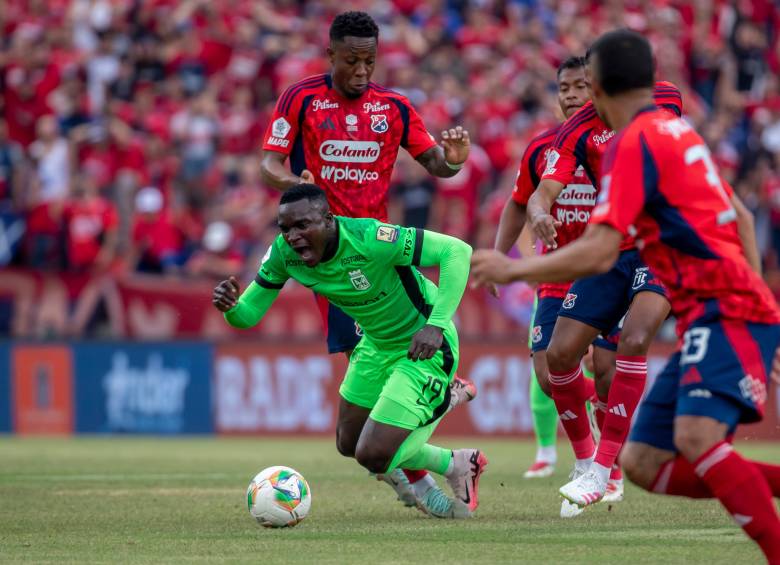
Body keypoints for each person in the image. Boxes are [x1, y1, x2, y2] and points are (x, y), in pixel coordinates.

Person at [471, 29, 780, 561]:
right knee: (644, 464)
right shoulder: (674, 132)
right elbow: (744, 219)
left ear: (598, 86)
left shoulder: (637, 145)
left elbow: (597, 252)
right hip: (712, 316)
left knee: (699, 441)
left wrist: (514, 268)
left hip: (726, 311)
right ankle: (601, 462)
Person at [257, 10, 476, 512]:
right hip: (323, 258)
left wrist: (456, 159)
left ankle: (421, 469)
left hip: (378, 256)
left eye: (370, 61)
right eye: (352, 60)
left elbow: (435, 165)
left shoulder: (395, 107)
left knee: (374, 381)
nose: (361, 70)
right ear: (330, 54)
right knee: (361, 382)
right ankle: (416, 467)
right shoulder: (302, 98)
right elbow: (269, 164)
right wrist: (298, 186)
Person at [213, 184, 488, 519]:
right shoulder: (285, 255)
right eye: (285, 229)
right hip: (374, 344)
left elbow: (457, 251)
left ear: (328, 220)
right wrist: (231, 307)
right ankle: (457, 463)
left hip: (424, 345)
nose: (293, 237)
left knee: (372, 455)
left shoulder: (370, 238)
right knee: (349, 442)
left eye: (303, 226)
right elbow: (248, 315)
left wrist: (436, 324)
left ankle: (450, 396)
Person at [518, 74, 685, 511]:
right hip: (611, 249)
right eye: (574, 85)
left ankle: (602, 469)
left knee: (634, 339)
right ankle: (586, 459)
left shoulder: (663, 100)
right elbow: (544, 190)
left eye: (590, 82)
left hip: (662, 246)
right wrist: (538, 214)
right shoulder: (577, 130)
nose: (583, 93)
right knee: (558, 356)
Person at [494, 56, 602, 483]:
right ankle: (591, 446)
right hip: (556, 274)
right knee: (545, 374)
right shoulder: (541, 148)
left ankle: (600, 450)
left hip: (603, 269)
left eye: (581, 86)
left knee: (606, 368)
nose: (572, 95)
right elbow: (519, 204)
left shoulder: (615, 144)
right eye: (564, 88)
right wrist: (501, 260)